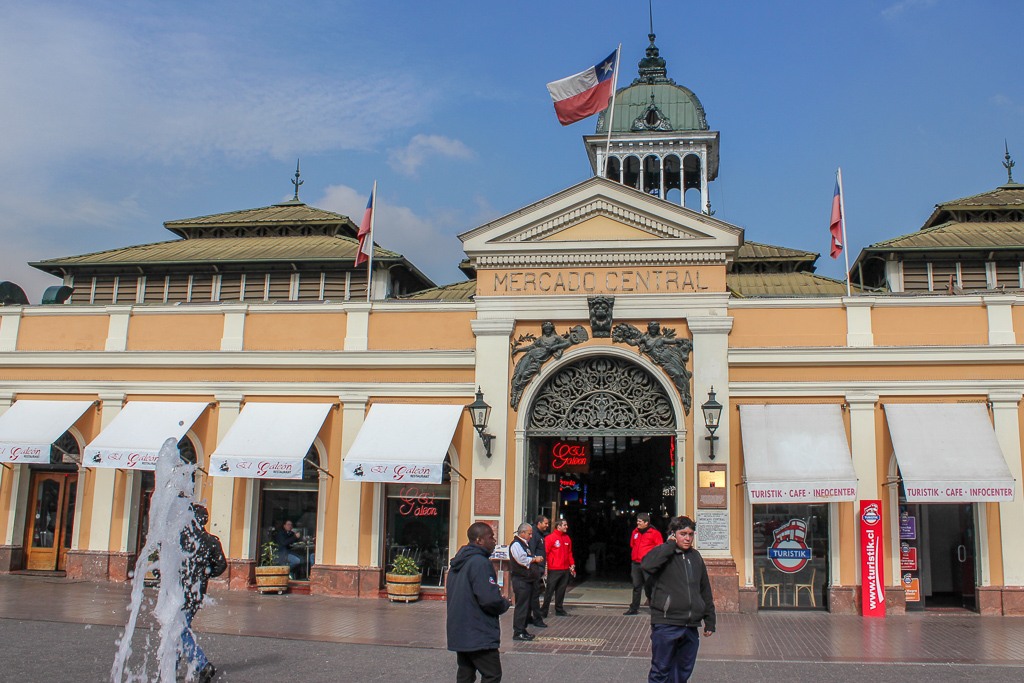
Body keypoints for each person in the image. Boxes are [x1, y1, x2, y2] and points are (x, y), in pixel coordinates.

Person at [641, 516, 716, 683]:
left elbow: (704, 589)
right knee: (660, 671)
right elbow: (646, 565)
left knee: (683, 671)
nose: (688, 538)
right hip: (666, 623)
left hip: (690, 626)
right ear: (673, 534)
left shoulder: (696, 557)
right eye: (683, 534)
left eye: (690, 534)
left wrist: (710, 619)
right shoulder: (663, 553)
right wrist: (669, 545)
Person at [446, 522, 511, 683]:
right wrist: (503, 603)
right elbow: (488, 599)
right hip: (478, 631)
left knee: (465, 674)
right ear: (479, 540)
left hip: (460, 629)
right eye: (491, 537)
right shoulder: (480, 563)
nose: (494, 541)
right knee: (492, 674)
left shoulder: (458, 562)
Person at [180, 504, 227, 683]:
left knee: (179, 629)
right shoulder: (211, 540)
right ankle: (171, 665)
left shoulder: (182, 539)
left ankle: (202, 664)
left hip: (180, 592)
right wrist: (207, 573)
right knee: (178, 628)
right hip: (196, 593)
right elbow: (221, 565)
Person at [509, 522, 545, 640]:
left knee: (526, 606)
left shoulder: (525, 544)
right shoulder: (516, 544)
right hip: (521, 580)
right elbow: (521, 559)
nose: (531, 536)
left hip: (528, 580)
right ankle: (518, 631)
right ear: (522, 533)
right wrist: (535, 559)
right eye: (529, 534)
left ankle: (523, 630)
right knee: (522, 606)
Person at [625, 512, 664, 615]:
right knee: (636, 586)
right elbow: (632, 544)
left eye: (640, 521)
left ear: (646, 523)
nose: (637, 523)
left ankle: (654, 608)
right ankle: (634, 608)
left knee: (650, 586)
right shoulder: (635, 532)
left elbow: (660, 549)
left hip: (648, 564)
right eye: (637, 521)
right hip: (636, 563)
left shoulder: (655, 533)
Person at [541, 518, 575, 617]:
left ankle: (559, 609)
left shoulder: (567, 538)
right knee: (549, 590)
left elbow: (569, 553)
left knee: (561, 590)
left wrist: (572, 564)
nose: (566, 527)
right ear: (558, 526)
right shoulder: (550, 538)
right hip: (554, 569)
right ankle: (544, 610)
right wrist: (545, 569)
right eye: (564, 525)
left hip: (564, 569)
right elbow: (545, 554)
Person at [527, 515, 549, 627]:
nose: (547, 525)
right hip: (534, 569)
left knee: (533, 595)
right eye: (545, 523)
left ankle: (528, 617)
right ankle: (537, 618)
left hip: (538, 568)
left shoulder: (540, 535)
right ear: (539, 523)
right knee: (534, 595)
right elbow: (531, 551)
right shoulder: (534, 534)